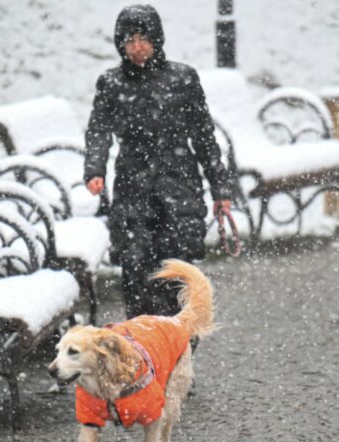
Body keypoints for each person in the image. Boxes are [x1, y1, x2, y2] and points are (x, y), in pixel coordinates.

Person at [84, 4, 233, 319]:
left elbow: (204, 137)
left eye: (144, 38)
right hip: (132, 190)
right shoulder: (111, 84)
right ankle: (143, 346)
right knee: (135, 270)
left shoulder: (182, 78)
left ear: (157, 39)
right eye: (129, 40)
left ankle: (179, 346)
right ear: (120, 43)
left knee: (178, 271)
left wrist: (221, 188)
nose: (137, 47)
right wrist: (94, 169)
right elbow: (98, 129)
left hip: (179, 187)